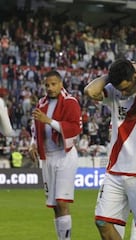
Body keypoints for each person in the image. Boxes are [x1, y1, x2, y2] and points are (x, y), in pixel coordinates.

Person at [84, 58, 136, 240]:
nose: (122, 91)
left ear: (135, 77)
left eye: (126, 87)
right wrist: (111, 77)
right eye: (119, 88)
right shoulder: (114, 91)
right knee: (101, 221)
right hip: (115, 171)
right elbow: (90, 91)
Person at [29, 70, 82, 240]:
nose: (50, 88)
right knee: (54, 205)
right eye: (47, 85)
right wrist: (32, 144)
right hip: (48, 157)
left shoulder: (70, 102)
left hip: (64, 155)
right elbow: (34, 128)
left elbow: (75, 128)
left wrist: (49, 121)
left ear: (61, 84)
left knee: (62, 202)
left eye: (53, 84)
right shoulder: (41, 103)